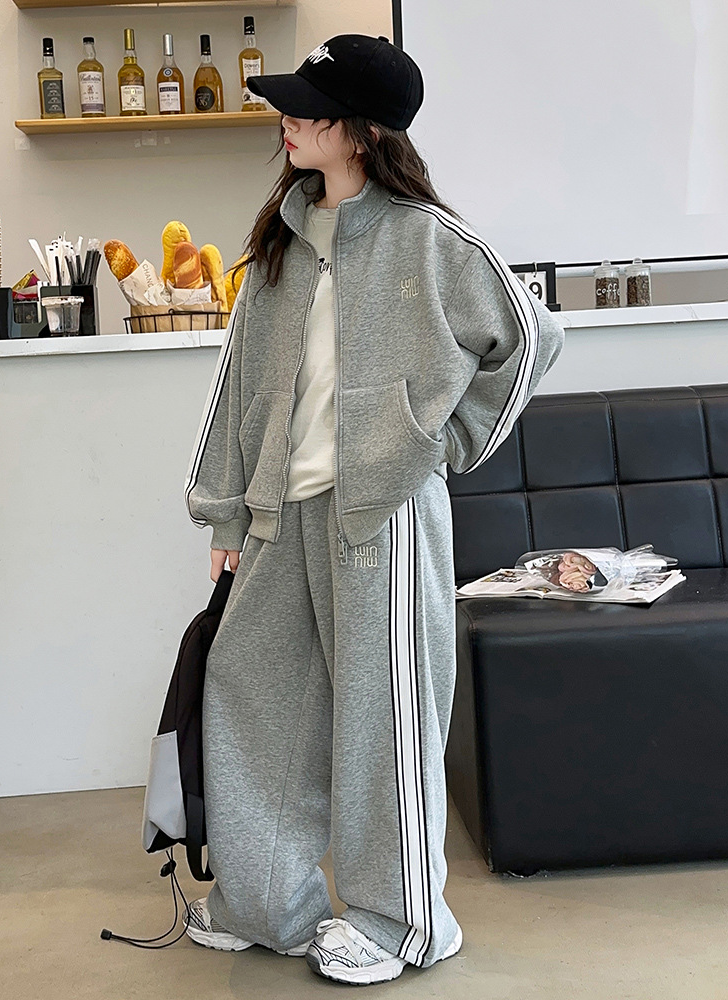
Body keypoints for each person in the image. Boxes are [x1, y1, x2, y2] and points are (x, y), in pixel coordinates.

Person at [181, 33, 566, 985]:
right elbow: (238, 388)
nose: (288, 120)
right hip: (280, 515)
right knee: (249, 698)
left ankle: (406, 922)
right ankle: (266, 904)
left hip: (380, 520)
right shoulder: (281, 241)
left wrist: (439, 443)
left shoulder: (429, 239)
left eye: (307, 108)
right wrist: (226, 515)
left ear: (362, 129)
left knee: (383, 723)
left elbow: (530, 338)